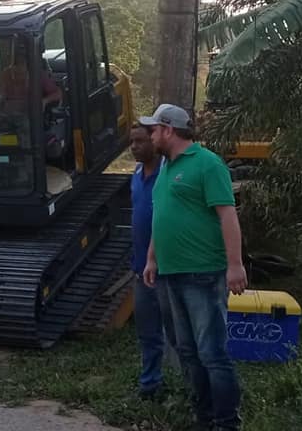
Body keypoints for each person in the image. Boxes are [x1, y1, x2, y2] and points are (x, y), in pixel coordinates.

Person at [140, 103, 246, 431]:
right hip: (169, 274)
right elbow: (162, 217)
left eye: (154, 129)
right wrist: (152, 258)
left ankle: (226, 423)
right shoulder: (166, 168)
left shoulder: (207, 163)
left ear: (169, 130)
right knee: (187, 351)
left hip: (202, 273)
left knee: (212, 352)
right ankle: (204, 417)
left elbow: (227, 215)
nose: (150, 135)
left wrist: (235, 265)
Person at [128, 123, 178, 400]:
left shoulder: (168, 175)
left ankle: (188, 386)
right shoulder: (136, 174)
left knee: (178, 333)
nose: (134, 147)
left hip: (168, 268)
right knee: (147, 333)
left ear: (154, 141)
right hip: (141, 270)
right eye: (131, 142)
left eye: (140, 141)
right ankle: (150, 385)